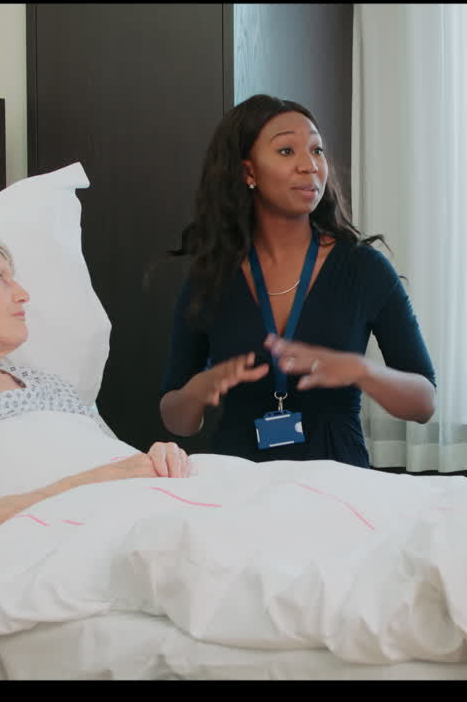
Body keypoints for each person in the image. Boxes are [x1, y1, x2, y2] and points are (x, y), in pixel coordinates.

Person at [159, 94, 436, 469]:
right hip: (237, 483)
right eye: (287, 151)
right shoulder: (211, 277)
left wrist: (362, 370)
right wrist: (197, 391)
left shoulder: (364, 269)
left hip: (339, 484)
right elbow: (177, 420)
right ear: (248, 172)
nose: (310, 166)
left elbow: (424, 404)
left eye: (317, 150)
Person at [0, 232, 193, 545]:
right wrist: (96, 481)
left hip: (158, 503)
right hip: (88, 536)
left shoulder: (47, 385)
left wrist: (159, 458)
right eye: (1, 279)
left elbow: (120, 463)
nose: (23, 294)